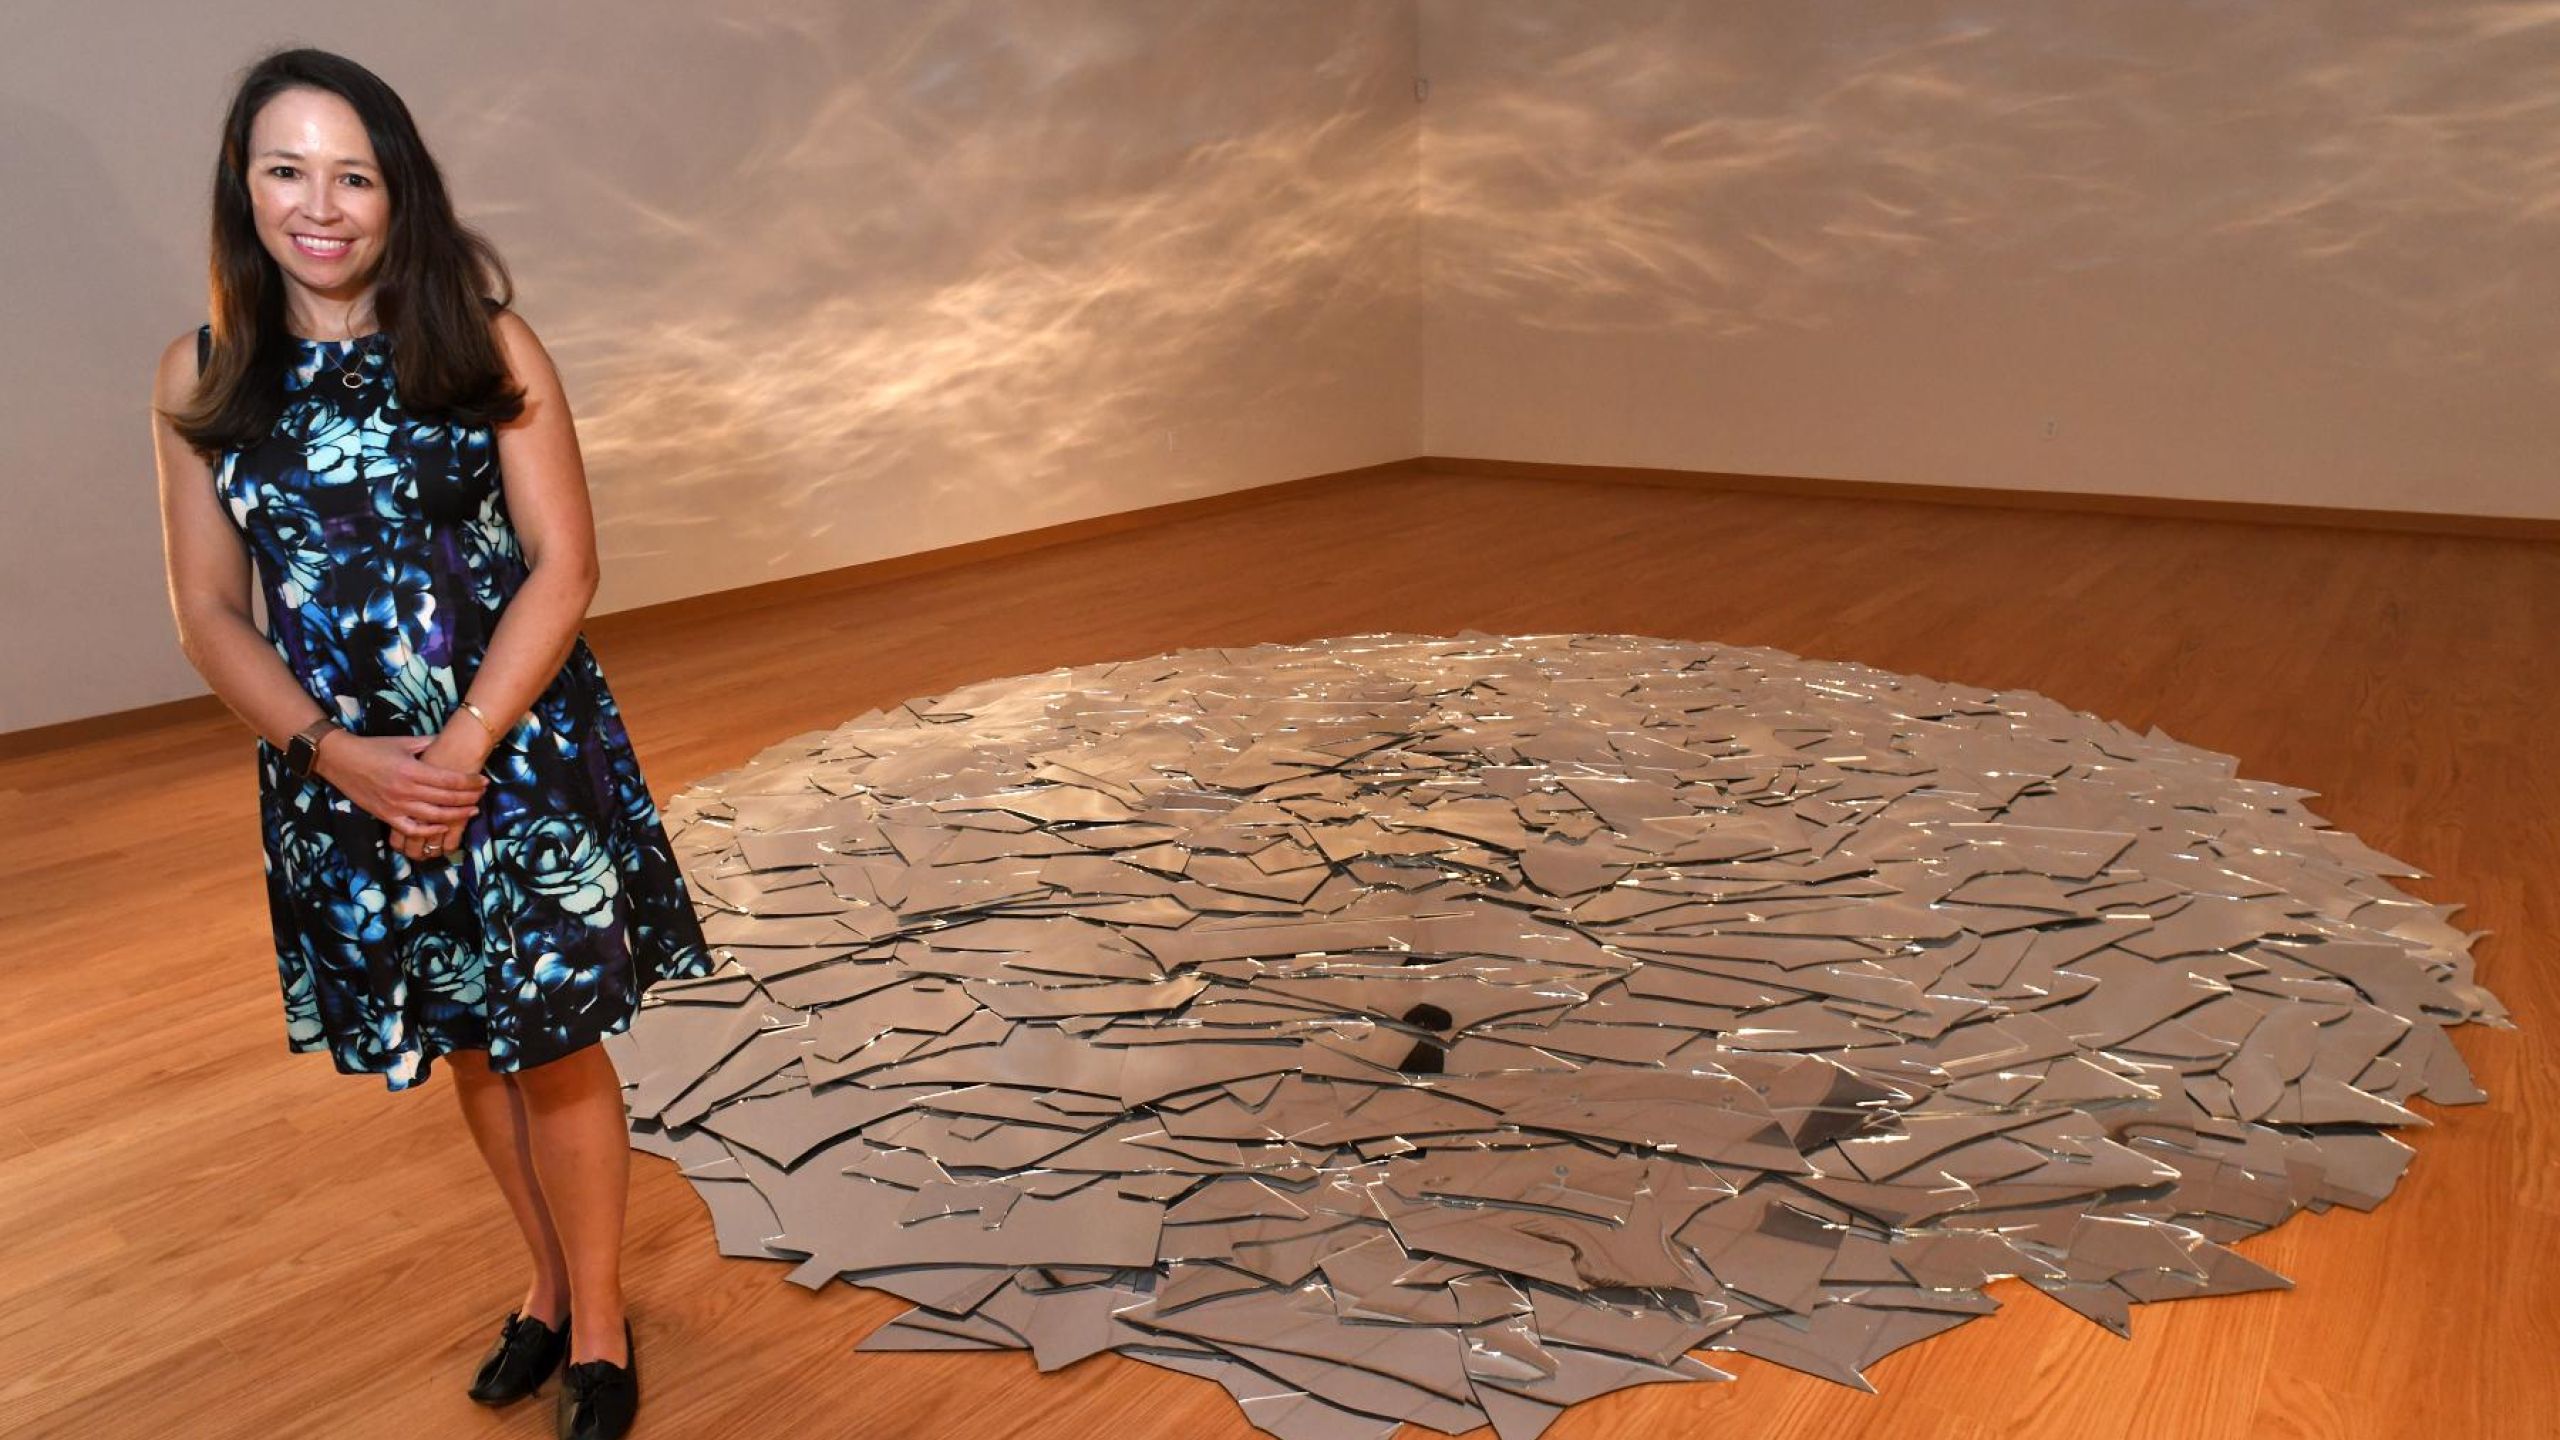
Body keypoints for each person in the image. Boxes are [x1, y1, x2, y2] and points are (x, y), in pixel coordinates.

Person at [150, 46, 715, 1440]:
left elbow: (564, 565)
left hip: (512, 756)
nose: (320, 203)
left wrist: (455, 751)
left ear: (401, 191)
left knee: (555, 1046)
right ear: (244, 186)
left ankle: (598, 1326)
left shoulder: (486, 344)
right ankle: (543, 1286)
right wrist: (337, 754)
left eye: (354, 172)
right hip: (344, 778)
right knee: (474, 1046)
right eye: (287, 169)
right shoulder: (204, 373)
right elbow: (209, 615)